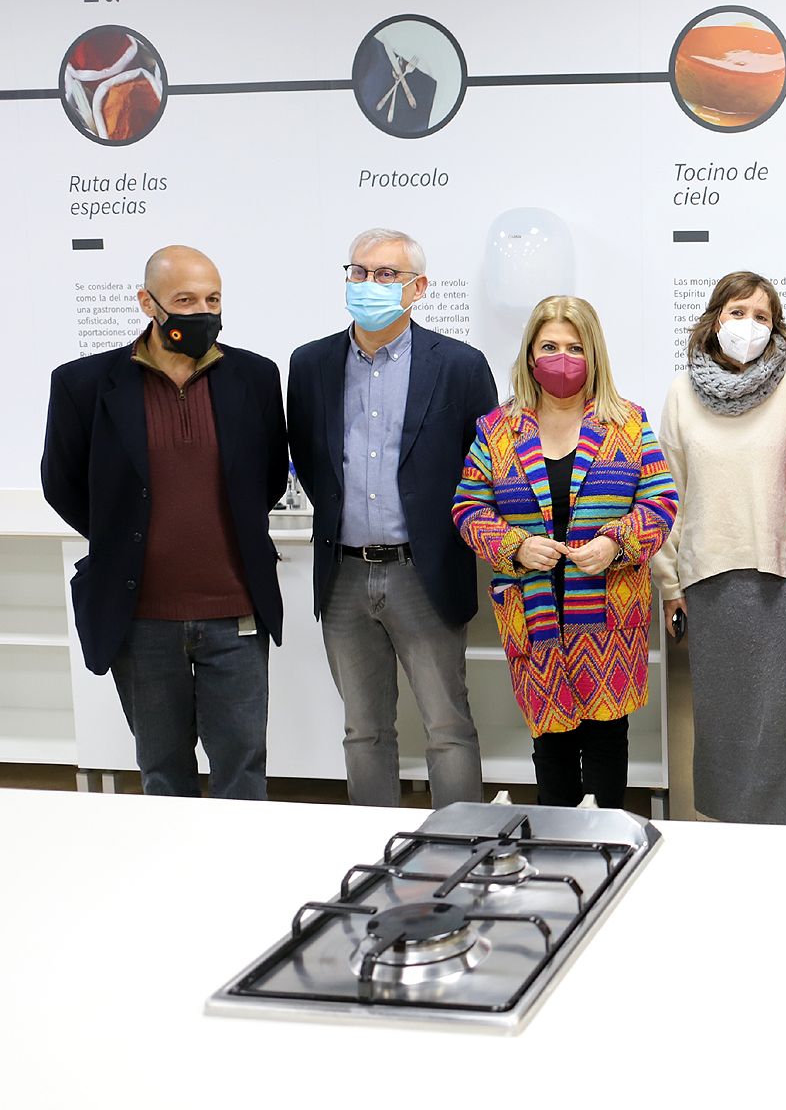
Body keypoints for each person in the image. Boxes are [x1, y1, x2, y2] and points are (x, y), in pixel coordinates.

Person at [41, 245, 286, 799]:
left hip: (235, 613)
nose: (203, 312)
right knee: (162, 771)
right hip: (141, 618)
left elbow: (267, 479)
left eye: (213, 299)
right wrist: (124, 538)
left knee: (243, 767)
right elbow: (62, 484)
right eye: (185, 300)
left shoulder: (255, 376)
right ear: (147, 303)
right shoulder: (83, 384)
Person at [286, 228, 498, 809]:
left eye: (386, 275)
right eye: (358, 272)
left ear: (418, 288)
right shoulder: (310, 364)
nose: (369, 284)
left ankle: (460, 840)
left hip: (423, 571)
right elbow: (310, 457)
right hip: (343, 574)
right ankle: (373, 846)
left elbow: (484, 466)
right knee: (363, 730)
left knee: (447, 726)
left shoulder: (459, 365)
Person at [453, 296, 677, 808]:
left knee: (606, 745)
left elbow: (661, 503)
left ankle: (606, 845)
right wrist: (515, 546)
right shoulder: (498, 429)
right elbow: (468, 507)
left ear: (593, 353)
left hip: (608, 616)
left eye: (575, 348)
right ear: (530, 353)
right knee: (550, 748)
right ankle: (557, 847)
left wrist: (615, 543)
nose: (562, 358)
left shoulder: (628, 423)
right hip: (533, 615)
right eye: (550, 346)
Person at [653, 272, 786, 824]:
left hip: (783, 576)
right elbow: (668, 493)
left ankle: (785, 840)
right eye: (737, 312)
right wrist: (670, 584)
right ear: (714, 318)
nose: (749, 324)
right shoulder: (682, 392)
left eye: (762, 316)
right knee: (721, 723)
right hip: (708, 580)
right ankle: (724, 838)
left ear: (777, 327)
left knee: (781, 726)